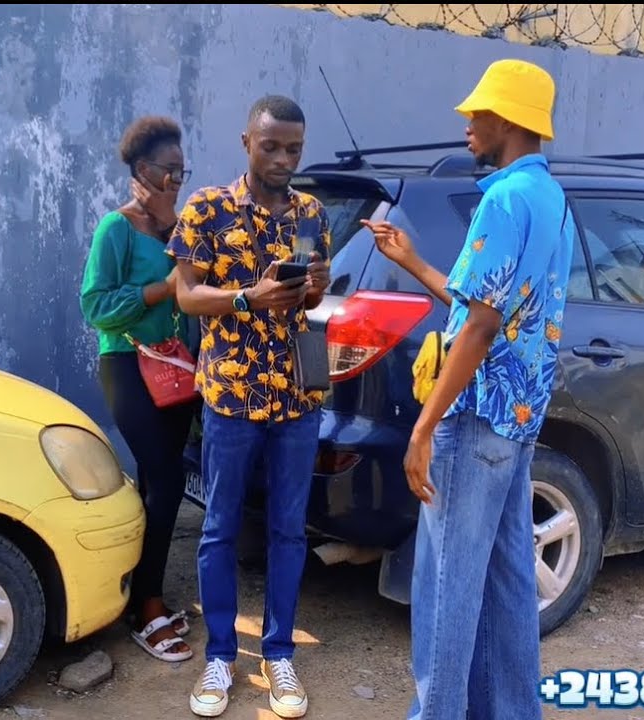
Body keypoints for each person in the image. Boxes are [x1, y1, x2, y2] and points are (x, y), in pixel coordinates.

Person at [361, 59, 575, 720]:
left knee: (446, 586)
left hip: (476, 417)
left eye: (477, 112)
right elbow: (486, 308)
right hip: (515, 418)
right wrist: (413, 261)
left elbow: (479, 326)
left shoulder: (504, 198)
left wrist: (424, 427)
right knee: (509, 577)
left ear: (506, 120)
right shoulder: (550, 198)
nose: (466, 122)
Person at [166, 94, 331, 719]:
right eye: (272, 146)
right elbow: (186, 297)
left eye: (293, 148)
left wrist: (313, 289)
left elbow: (313, 298)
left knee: (290, 530)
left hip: (296, 396)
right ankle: (219, 656)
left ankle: (279, 653)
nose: (284, 158)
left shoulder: (312, 211)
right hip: (232, 397)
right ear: (247, 142)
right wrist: (247, 299)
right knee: (219, 529)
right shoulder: (207, 208)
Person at [79, 114, 200, 664]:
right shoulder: (116, 228)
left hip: (174, 367)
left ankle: (136, 594)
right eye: (169, 171)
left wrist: (173, 223)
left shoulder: (177, 230)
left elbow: (196, 283)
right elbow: (95, 306)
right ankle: (147, 605)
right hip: (127, 363)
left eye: (182, 170)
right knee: (170, 478)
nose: (177, 178)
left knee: (157, 479)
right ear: (140, 170)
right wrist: (159, 290)